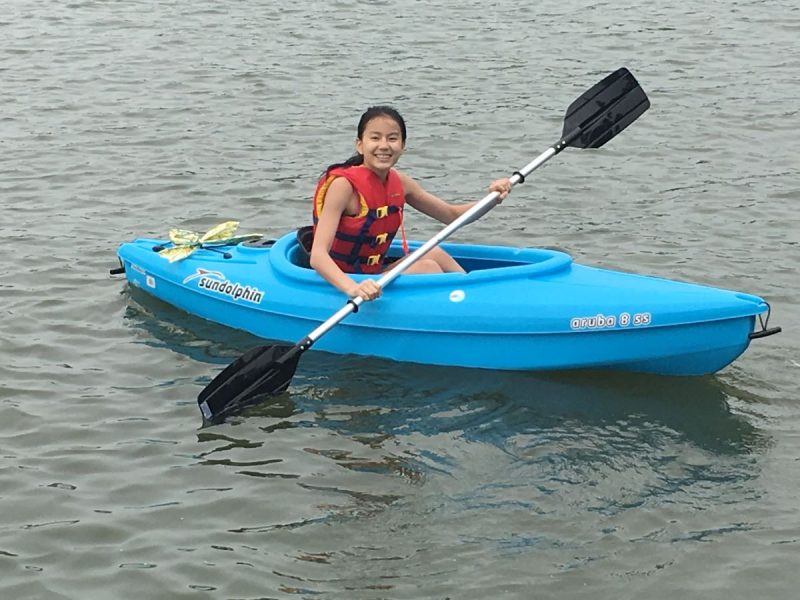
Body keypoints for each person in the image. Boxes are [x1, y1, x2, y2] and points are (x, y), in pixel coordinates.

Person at [309, 105, 512, 302]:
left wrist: (493, 197)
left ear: (403, 146)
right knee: (428, 268)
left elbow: (453, 216)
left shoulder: (401, 183)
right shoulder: (343, 187)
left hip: (375, 276)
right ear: (360, 144)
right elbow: (318, 256)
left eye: (392, 138)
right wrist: (352, 288)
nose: (384, 146)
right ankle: (461, 307)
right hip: (345, 281)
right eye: (375, 137)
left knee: (433, 252)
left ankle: (474, 299)